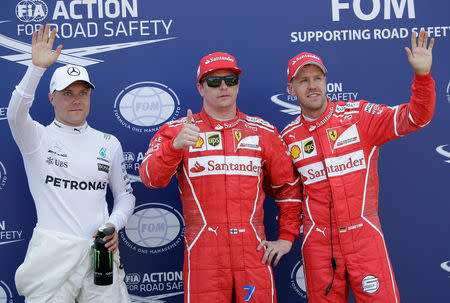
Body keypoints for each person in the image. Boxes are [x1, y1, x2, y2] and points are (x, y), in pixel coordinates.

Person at [281, 30, 435, 303]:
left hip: (365, 238)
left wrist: (422, 77)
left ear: (326, 81)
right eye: (303, 80)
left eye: (317, 78)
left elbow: (416, 117)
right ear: (291, 89)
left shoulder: (359, 116)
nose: (312, 85)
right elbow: (287, 196)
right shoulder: (287, 138)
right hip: (319, 245)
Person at [139, 52, 302, 303]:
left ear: (238, 84)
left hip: (253, 250)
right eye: (214, 82)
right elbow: (151, 178)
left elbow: (288, 188)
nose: (223, 87)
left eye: (230, 80)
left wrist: (286, 237)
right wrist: (176, 147)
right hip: (204, 252)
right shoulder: (178, 131)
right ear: (200, 88)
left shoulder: (263, 131)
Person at [7, 24, 135, 303]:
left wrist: (112, 225)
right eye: (67, 93)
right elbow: (15, 114)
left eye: (82, 93)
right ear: (52, 98)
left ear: (90, 96)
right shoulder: (36, 137)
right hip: (52, 260)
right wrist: (36, 69)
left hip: (99, 258)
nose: (76, 100)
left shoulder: (108, 142)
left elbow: (125, 196)